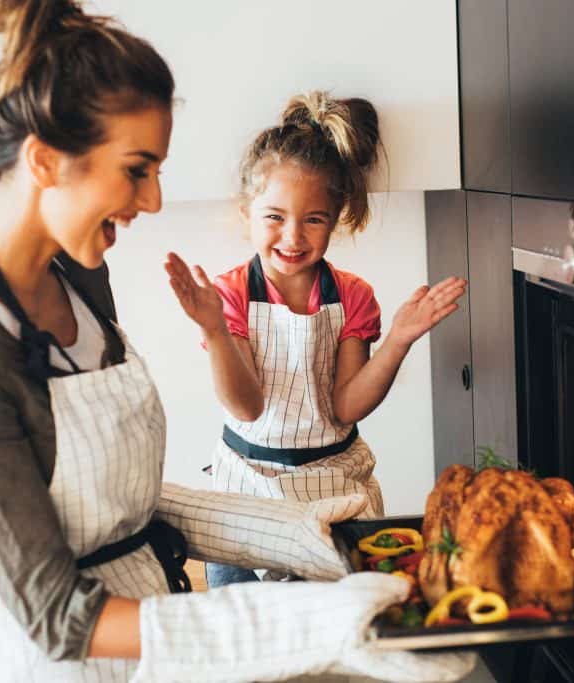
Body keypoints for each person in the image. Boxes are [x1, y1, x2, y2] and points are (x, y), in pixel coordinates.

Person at [0, 1, 474, 681]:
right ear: (45, 159)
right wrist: (312, 619)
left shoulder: (77, 275)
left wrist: (305, 536)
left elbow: (117, 504)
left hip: (159, 639)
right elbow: (57, 617)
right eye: (137, 168)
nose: (153, 201)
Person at [164, 92, 467, 588]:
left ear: (337, 217)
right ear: (247, 213)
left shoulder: (352, 296)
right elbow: (246, 406)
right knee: (245, 645)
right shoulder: (230, 295)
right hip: (245, 495)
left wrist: (398, 341)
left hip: (332, 492)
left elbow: (345, 406)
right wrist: (215, 330)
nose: (292, 236)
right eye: (274, 216)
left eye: (313, 219)